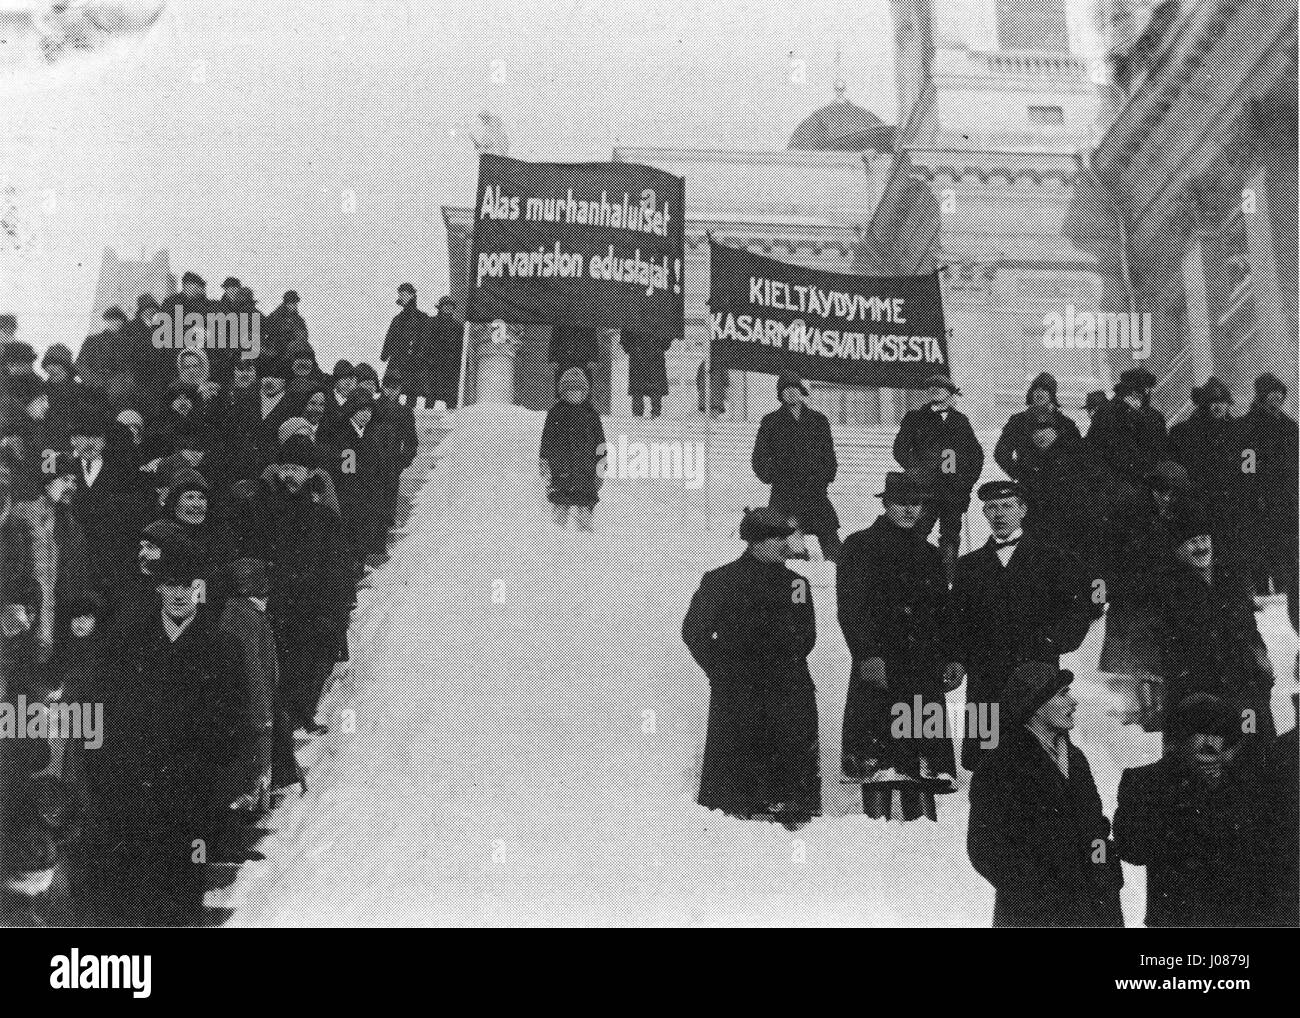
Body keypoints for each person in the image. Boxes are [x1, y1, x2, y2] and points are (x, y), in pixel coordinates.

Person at [81, 537, 251, 926]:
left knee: (186, 886)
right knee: (137, 888)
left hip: (193, 793)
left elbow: (235, 720)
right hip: (135, 792)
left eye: (187, 584)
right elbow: (104, 709)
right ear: (159, 587)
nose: (179, 595)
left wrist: (212, 773)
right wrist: (109, 772)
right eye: (170, 584)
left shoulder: (222, 648)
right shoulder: (129, 644)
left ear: (200, 589)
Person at [943, 480, 1100, 770]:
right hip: (985, 676)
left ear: (1022, 510)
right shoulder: (969, 566)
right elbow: (957, 621)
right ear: (984, 513)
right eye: (991, 508)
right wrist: (957, 659)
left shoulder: (1054, 559)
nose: (999, 514)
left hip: (1037, 674)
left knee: (1041, 753)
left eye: (1007, 506)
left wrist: (1053, 641)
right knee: (986, 759)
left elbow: (1078, 610)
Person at [682, 507, 821, 829]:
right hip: (740, 691)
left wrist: (785, 662)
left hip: (789, 687)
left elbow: (807, 634)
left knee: (789, 785)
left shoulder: (797, 584)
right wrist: (722, 670)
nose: (786, 545)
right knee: (737, 786)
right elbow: (695, 631)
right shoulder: (721, 580)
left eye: (787, 537)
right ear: (754, 542)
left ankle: (789, 828)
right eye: (777, 538)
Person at [837, 471, 956, 822]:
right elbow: (851, 607)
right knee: (880, 756)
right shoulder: (859, 546)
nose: (909, 511)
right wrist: (867, 654)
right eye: (901, 503)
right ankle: (876, 832)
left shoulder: (930, 553)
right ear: (886, 504)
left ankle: (923, 834)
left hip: (922, 666)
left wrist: (951, 657)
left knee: (921, 756)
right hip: (881, 665)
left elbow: (943, 610)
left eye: (915, 504)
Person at [967, 663, 1124, 927]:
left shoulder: (1075, 760)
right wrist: (1041, 894)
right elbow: (986, 849)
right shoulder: (1001, 764)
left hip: (1095, 911)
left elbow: (1096, 831)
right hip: (1036, 916)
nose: (1073, 702)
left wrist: (1104, 874)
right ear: (1036, 705)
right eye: (1063, 694)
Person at [1114, 692, 1273, 927]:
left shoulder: (1240, 782)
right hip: (1176, 918)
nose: (1210, 742)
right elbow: (1132, 851)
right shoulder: (1144, 780)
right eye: (1199, 732)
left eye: (1218, 734)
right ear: (1180, 739)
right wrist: (1187, 793)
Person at [1150, 499, 1274, 746]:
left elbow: (1248, 628)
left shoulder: (1231, 580)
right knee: (1207, 763)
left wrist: (1261, 657)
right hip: (1200, 696)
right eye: (1191, 541)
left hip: (1245, 689)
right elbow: (1164, 651)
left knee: (1257, 755)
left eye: (1204, 537)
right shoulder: (1167, 591)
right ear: (1176, 550)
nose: (1200, 545)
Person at [892, 374, 984, 582]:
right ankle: (911, 576)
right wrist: (915, 469)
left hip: (952, 490)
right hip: (924, 489)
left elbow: (975, 455)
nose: (935, 390)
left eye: (941, 388)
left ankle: (947, 580)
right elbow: (899, 449)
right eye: (932, 387)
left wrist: (966, 483)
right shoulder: (914, 418)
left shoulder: (960, 421)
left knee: (950, 536)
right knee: (917, 532)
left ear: (951, 394)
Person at [752, 369, 841, 561]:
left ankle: (840, 574)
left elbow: (829, 454)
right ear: (780, 395)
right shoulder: (771, 422)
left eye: (794, 388)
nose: (791, 393)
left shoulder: (818, 420)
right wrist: (772, 476)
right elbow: (758, 458)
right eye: (785, 390)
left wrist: (826, 477)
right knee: (783, 541)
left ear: (802, 391)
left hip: (814, 490)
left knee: (831, 542)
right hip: (784, 492)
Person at [1238, 371, 1298, 626]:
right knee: (1261, 540)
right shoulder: (1248, 425)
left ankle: (1285, 585)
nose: (1276, 399)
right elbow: (1247, 462)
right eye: (1271, 394)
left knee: (1287, 540)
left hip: (1287, 493)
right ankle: (1263, 588)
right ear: (1261, 396)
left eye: (1279, 394)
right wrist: (1253, 490)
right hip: (1261, 494)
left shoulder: (1289, 425)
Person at [1167, 376, 1246, 568]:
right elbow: (1176, 468)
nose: (1218, 407)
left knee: (1234, 552)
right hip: (1199, 502)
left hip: (1232, 501)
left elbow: (1249, 462)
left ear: (1228, 405)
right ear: (1203, 405)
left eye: (1222, 402)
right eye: (1212, 402)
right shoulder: (1184, 432)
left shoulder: (1240, 431)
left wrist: (1247, 486)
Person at [539, 368, 606, 531]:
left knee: (585, 514)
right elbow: (546, 443)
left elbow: (601, 445)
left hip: (586, 474)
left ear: (584, 392)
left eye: (578, 390)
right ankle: (556, 545)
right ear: (563, 392)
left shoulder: (591, 415)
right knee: (559, 516)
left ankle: (586, 546)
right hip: (561, 473)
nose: (574, 394)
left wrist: (600, 471)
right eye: (570, 390)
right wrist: (545, 468)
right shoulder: (556, 413)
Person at [993, 372, 1082, 482]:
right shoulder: (1018, 422)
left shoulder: (1065, 424)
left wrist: (1065, 475)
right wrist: (1019, 474)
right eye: (1035, 389)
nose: (1039, 393)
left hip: (1059, 489)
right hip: (1028, 487)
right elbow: (1001, 453)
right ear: (1031, 393)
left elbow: (1079, 455)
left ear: (1051, 395)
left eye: (1045, 389)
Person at [381, 283, 430, 401]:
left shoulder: (422, 317)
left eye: (404, 294)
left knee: (412, 392)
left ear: (412, 295)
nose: (402, 297)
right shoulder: (397, 319)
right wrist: (385, 354)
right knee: (392, 389)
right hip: (397, 359)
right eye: (400, 295)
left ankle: (407, 415)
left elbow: (425, 339)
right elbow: (390, 337)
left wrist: (421, 355)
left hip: (415, 359)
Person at [420, 296, 464, 409]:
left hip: (450, 366)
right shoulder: (431, 322)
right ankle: (427, 417)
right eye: (446, 306)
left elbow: (460, 347)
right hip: (434, 364)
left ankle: (452, 420)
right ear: (440, 307)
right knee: (431, 396)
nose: (448, 308)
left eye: (451, 306)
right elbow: (425, 342)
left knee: (451, 397)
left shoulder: (458, 326)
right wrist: (427, 359)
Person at [621, 331, 672, 418]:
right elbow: (625, 336)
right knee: (642, 389)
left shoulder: (633, 318)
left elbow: (667, 336)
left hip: (649, 355)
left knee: (650, 389)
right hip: (645, 355)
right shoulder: (633, 319)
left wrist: (631, 349)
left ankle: (650, 415)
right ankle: (644, 415)